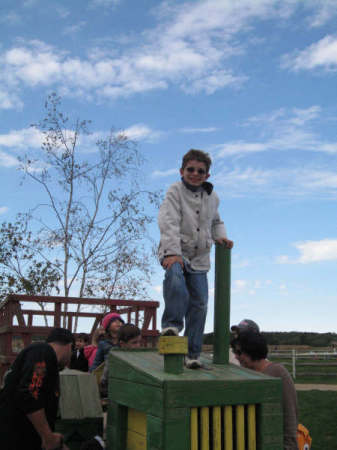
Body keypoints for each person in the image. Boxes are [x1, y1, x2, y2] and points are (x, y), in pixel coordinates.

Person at [158, 149, 233, 369]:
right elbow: (168, 220)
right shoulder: (175, 191)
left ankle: (192, 353)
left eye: (201, 171)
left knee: (199, 303)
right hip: (176, 250)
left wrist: (221, 237)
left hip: (199, 257)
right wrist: (172, 252)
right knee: (176, 282)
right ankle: (171, 326)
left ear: (207, 175)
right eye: (190, 169)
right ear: (181, 171)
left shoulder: (212, 196)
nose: (195, 174)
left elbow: (216, 221)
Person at [0, 327, 74, 450]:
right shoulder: (43, 351)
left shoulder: (42, 359)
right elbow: (30, 393)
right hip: (14, 439)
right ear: (70, 346)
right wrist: (47, 437)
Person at [231, 331, 298, 450]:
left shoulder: (278, 372)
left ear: (252, 350)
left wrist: (289, 446)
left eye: (239, 352)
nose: (236, 356)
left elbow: (290, 414)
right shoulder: (247, 373)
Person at [100, 324, 142, 398]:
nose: (138, 345)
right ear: (122, 344)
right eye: (134, 342)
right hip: (115, 395)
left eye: (139, 342)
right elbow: (105, 382)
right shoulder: (114, 359)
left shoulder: (139, 357)